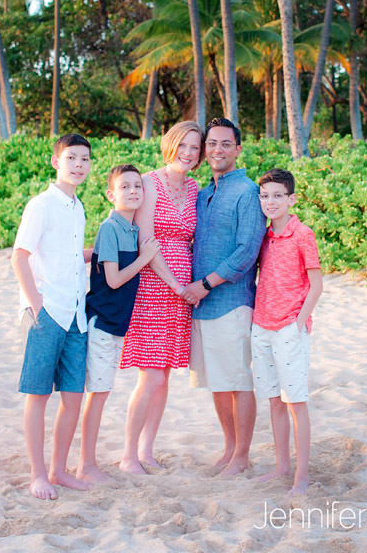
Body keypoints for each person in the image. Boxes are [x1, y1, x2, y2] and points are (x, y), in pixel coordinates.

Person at [182, 117, 266, 477]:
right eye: (211, 144)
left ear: (237, 149)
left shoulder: (246, 191)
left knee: (236, 379)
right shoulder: (204, 192)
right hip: (202, 306)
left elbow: (247, 251)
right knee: (216, 381)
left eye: (225, 144)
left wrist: (206, 283)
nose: (217, 150)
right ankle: (230, 448)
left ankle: (243, 456)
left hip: (231, 301)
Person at [119, 121, 204, 474]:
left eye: (194, 148)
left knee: (165, 377)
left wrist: (192, 286)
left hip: (182, 292)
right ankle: (127, 456)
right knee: (150, 377)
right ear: (171, 145)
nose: (188, 153)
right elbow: (147, 240)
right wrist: (174, 284)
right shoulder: (150, 183)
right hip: (154, 287)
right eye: (182, 145)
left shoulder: (196, 187)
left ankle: (147, 451)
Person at [12, 133, 92, 500]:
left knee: (74, 397)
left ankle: (59, 470)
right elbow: (20, 256)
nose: (78, 165)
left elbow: (71, 256)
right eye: (71, 158)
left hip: (77, 314)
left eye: (85, 160)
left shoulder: (78, 207)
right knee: (38, 395)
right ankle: (38, 475)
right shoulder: (41, 204)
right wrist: (37, 308)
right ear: (55, 161)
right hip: (48, 315)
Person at [76, 164, 162, 483]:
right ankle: (86, 465)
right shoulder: (110, 227)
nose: (133, 191)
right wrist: (144, 258)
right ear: (112, 195)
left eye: (138, 186)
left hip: (116, 325)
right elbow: (112, 280)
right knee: (98, 394)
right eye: (124, 187)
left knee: (103, 391)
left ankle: (88, 463)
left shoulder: (132, 229)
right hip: (101, 322)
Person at [251, 168, 324, 494]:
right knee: (274, 401)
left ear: (291, 198)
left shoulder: (302, 233)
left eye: (278, 195)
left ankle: (302, 474)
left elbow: (316, 284)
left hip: (288, 329)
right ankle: (282, 466)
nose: (271, 201)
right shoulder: (263, 236)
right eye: (265, 195)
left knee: (295, 401)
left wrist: (298, 324)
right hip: (261, 326)